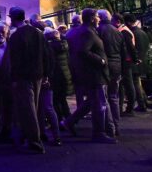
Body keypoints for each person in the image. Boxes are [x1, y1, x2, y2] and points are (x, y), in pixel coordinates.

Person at [62, 8, 116, 143]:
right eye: (97, 16)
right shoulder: (87, 32)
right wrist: (101, 60)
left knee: (92, 102)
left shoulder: (86, 30)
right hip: (94, 74)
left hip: (90, 73)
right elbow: (83, 51)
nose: (99, 19)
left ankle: (69, 122)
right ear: (92, 18)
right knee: (99, 104)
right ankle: (99, 133)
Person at [7, 7, 48, 154]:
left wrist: (14, 78)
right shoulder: (38, 33)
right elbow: (46, 54)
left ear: (12, 18)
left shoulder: (15, 37)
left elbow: (14, 61)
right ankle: (31, 136)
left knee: (28, 108)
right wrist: (46, 74)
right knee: (34, 107)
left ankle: (34, 140)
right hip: (38, 74)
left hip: (23, 77)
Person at [97, 9, 124, 137]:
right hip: (117, 66)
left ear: (100, 18)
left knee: (104, 98)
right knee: (113, 97)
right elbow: (122, 51)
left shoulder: (99, 30)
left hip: (105, 66)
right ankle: (117, 127)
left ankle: (110, 128)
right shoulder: (117, 31)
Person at [47, 26, 72, 120]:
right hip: (65, 74)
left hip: (55, 75)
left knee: (56, 100)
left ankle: (60, 119)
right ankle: (69, 118)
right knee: (63, 99)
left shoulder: (50, 47)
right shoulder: (65, 45)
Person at [116, 14, 138, 115]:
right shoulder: (125, 31)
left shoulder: (124, 32)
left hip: (126, 61)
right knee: (126, 85)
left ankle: (130, 109)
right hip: (127, 61)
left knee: (128, 85)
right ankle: (126, 108)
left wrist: (134, 59)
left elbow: (130, 47)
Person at [129, 15, 150, 111]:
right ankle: (144, 101)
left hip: (135, 63)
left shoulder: (132, 33)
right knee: (138, 83)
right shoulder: (142, 33)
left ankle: (142, 104)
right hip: (143, 61)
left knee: (136, 83)